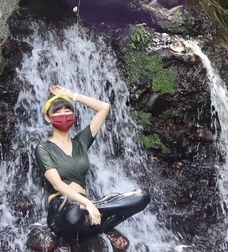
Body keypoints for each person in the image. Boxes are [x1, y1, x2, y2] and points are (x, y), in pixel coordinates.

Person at [35, 84, 150, 239]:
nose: (63, 114)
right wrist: (87, 203)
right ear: (48, 117)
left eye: (67, 110)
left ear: (74, 116)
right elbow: (57, 184)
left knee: (142, 198)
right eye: (57, 111)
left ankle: (96, 214)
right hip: (63, 211)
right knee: (74, 216)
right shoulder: (43, 148)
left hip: (87, 211)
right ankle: (98, 215)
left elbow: (104, 107)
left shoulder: (81, 142)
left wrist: (72, 95)